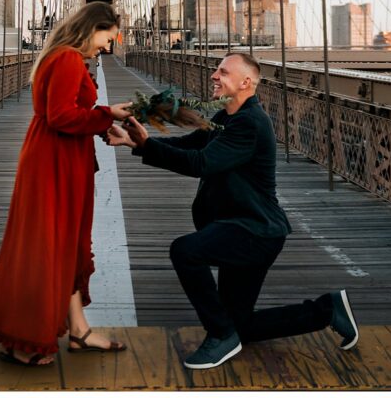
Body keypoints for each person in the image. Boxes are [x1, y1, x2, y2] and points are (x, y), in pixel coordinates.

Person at [106, 52, 359, 370]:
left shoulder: (249, 123)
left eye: (223, 72)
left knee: (185, 252)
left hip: (253, 229)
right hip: (241, 226)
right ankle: (327, 310)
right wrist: (136, 142)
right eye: (215, 70)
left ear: (245, 82)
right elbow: (192, 145)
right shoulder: (226, 116)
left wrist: (147, 146)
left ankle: (221, 335)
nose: (213, 75)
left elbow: (201, 163)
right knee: (239, 325)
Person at [0, 2, 134, 367]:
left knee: (65, 244)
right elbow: (61, 116)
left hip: (61, 155)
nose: (108, 48)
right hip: (55, 161)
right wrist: (106, 114)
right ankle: (24, 340)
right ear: (91, 28)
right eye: (106, 39)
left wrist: (101, 121)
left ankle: (78, 329)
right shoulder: (66, 59)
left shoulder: (62, 57)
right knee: (47, 246)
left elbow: (65, 113)